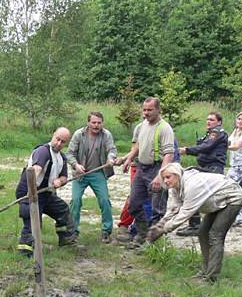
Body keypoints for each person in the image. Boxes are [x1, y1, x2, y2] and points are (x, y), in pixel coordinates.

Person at [147, 163, 242, 282]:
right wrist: (159, 225)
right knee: (202, 233)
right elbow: (173, 208)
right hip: (217, 201)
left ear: (177, 175)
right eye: (164, 178)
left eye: (168, 177)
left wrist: (163, 230)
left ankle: (211, 277)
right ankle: (204, 271)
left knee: (215, 236)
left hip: (232, 199)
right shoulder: (174, 187)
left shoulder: (192, 185)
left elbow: (185, 213)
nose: (165, 181)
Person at [117, 97, 176, 246]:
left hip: (156, 169)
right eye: (144, 110)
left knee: (157, 209)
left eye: (150, 110)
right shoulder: (142, 125)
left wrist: (160, 176)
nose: (146, 113)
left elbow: (169, 154)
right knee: (134, 204)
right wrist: (127, 158)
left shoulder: (165, 128)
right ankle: (142, 234)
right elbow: (137, 147)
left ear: (158, 110)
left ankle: (153, 243)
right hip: (141, 169)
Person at [15, 127, 77, 255]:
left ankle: (66, 240)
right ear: (53, 136)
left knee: (63, 210)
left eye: (63, 141)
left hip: (46, 194)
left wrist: (59, 181)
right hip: (29, 191)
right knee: (34, 221)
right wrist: (31, 192)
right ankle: (25, 251)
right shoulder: (43, 151)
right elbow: (36, 170)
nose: (59, 143)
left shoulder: (62, 157)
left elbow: (64, 176)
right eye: (57, 139)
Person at [66, 112, 118, 243]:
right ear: (88, 123)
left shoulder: (106, 135)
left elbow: (112, 149)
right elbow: (69, 154)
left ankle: (106, 231)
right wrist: (76, 165)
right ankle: (73, 232)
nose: (96, 125)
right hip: (81, 173)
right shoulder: (79, 134)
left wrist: (111, 158)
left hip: (98, 173)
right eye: (93, 122)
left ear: (102, 123)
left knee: (105, 200)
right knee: (75, 201)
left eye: (99, 123)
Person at [175, 111, 229, 236]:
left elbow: (206, 147)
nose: (208, 121)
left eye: (212, 120)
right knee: (192, 190)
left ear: (219, 122)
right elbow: (203, 147)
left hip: (213, 169)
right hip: (206, 168)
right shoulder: (209, 134)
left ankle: (198, 226)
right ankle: (198, 224)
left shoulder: (217, 133)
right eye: (207, 119)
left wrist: (186, 150)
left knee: (193, 192)